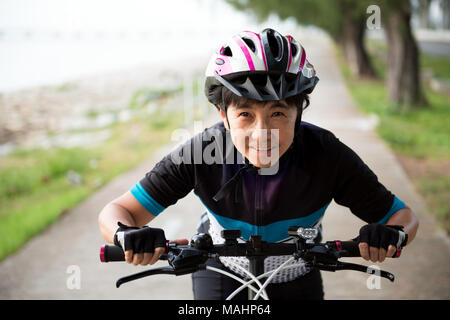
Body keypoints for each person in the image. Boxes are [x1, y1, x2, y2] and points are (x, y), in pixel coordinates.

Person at [98, 28, 419, 300]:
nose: (261, 133)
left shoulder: (326, 155)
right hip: (220, 270)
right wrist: (127, 236)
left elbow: (404, 217)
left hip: (298, 273)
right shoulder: (201, 152)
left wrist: (389, 235)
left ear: (299, 113)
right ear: (223, 115)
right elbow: (114, 213)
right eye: (245, 115)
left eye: (278, 114)